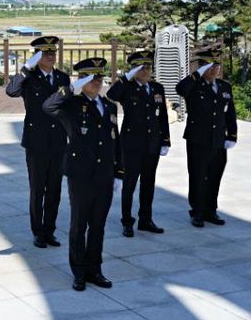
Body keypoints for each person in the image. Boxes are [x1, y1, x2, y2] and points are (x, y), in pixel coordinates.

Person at [42, 58, 121, 292]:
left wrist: (119, 172)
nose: (96, 81)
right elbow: (48, 107)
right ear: (81, 80)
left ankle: (95, 270)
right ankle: (78, 272)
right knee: (79, 225)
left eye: (99, 77)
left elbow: (115, 141)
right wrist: (70, 89)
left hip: (104, 175)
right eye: (91, 77)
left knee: (98, 226)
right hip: (81, 175)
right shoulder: (72, 105)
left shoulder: (109, 106)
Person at [5, 36, 70, 248]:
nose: (50, 56)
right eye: (45, 53)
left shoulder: (62, 78)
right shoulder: (29, 78)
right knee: (38, 190)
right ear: (37, 56)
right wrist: (25, 68)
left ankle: (50, 231)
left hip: (58, 141)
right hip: (36, 142)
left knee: (54, 190)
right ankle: (38, 232)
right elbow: (11, 91)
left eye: (53, 52)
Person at [107, 50, 170, 237]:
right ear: (133, 70)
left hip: (152, 144)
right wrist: (127, 77)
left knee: (148, 184)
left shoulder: (157, 88)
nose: (145, 71)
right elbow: (111, 94)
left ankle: (145, 219)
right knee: (129, 185)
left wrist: (165, 140)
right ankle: (127, 221)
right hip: (131, 145)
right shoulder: (127, 88)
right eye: (141, 68)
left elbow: (163, 117)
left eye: (148, 67)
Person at [176, 49, 237, 228]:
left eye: (217, 66)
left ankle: (211, 210)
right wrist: (197, 74)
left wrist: (232, 135)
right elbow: (180, 89)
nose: (215, 70)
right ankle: (197, 212)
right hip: (198, 139)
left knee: (215, 176)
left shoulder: (224, 87)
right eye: (211, 66)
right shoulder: (194, 85)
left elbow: (230, 113)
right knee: (198, 175)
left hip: (218, 139)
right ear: (203, 68)